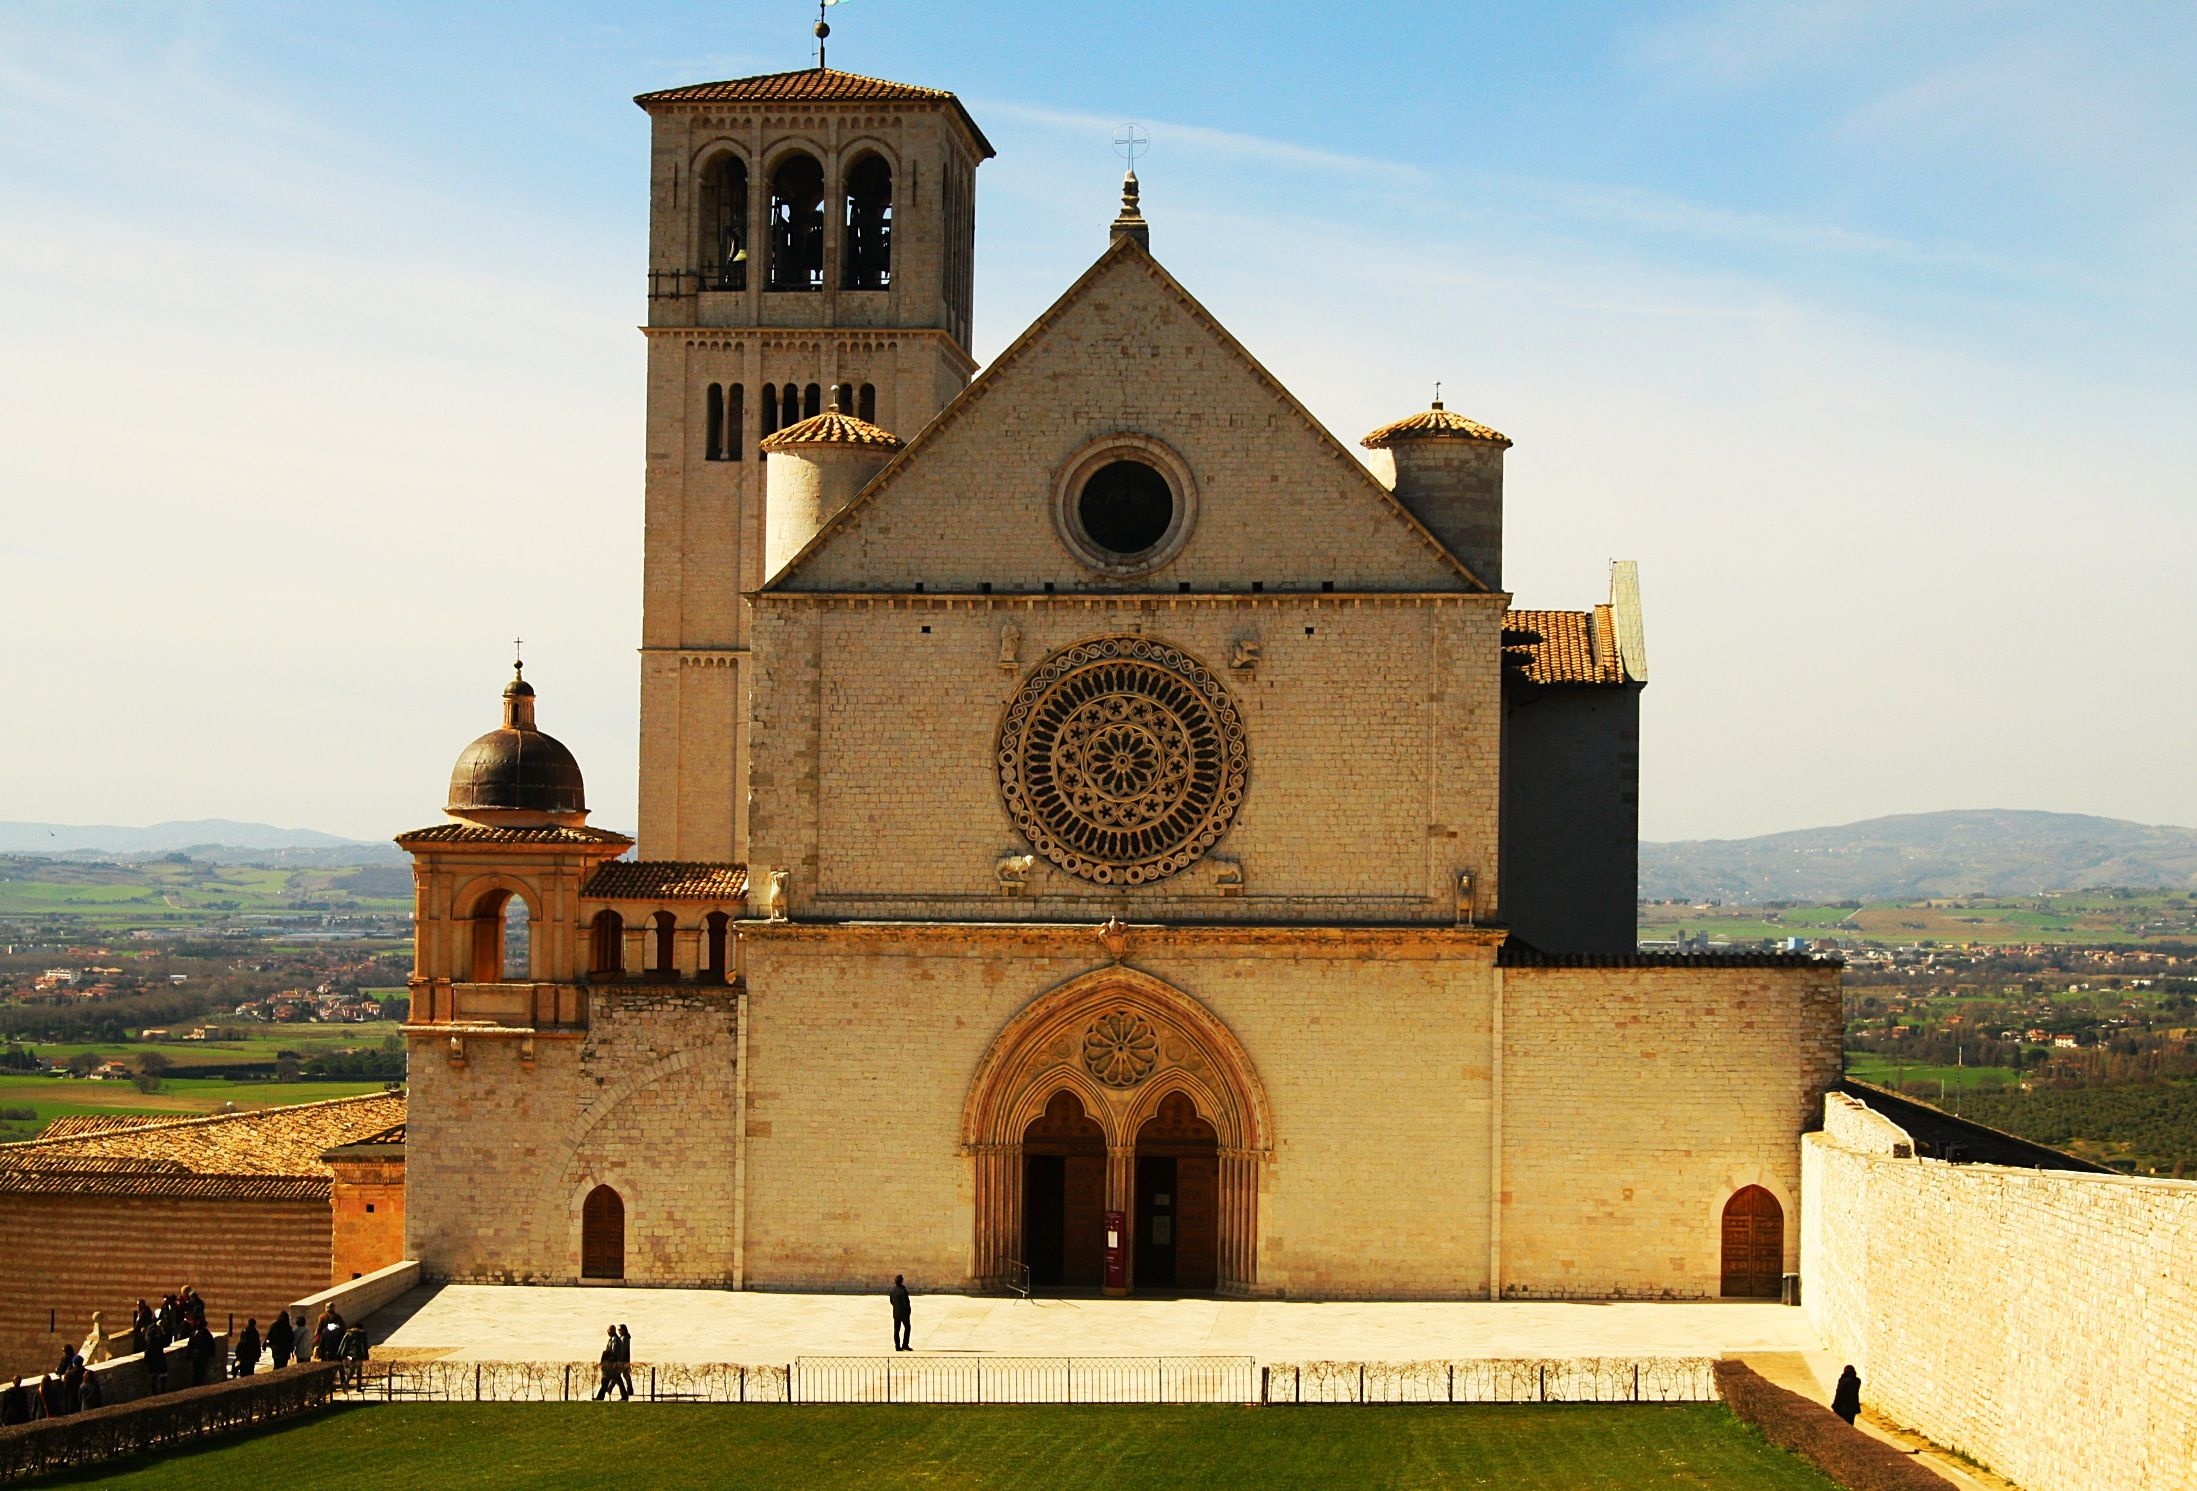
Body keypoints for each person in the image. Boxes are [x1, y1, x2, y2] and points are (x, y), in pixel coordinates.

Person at [185, 1321, 218, 1388]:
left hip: (203, 1357)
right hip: (196, 1357)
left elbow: (211, 1346)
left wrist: (211, 1356)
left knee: (201, 1372)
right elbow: (191, 1345)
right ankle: (195, 1386)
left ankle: (199, 1386)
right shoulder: (194, 1334)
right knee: (196, 1372)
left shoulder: (207, 1335)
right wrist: (189, 1354)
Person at [337, 1323, 369, 1390]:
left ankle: (346, 1381)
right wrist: (366, 1356)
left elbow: (342, 1344)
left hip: (349, 1355)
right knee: (359, 1371)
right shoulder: (362, 1335)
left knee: (352, 1370)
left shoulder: (348, 1334)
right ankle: (358, 1387)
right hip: (358, 1355)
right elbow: (364, 1346)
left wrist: (340, 1354)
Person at [593, 1325, 620, 1401]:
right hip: (612, 1362)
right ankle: (600, 1397)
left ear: (612, 1331)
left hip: (611, 1363)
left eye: (608, 1330)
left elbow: (613, 1351)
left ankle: (600, 1397)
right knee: (608, 1381)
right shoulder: (613, 1339)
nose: (607, 1332)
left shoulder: (614, 1339)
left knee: (606, 1380)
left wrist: (609, 1360)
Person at [889, 1275, 912, 1352]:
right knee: (907, 1327)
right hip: (904, 1313)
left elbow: (891, 1302)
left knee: (896, 1330)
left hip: (896, 1313)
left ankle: (897, 1346)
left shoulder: (892, 1290)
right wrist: (908, 1312)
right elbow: (907, 1303)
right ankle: (905, 1344)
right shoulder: (903, 1291)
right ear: (901, 1281)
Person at [615, 1324, 634, 1399]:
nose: (619, 1331)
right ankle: (630, 1390)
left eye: (620, 1330)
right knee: (626, 1375)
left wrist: (618, 1359)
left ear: (623, 1330)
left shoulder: (624, 1338)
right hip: (625, 1360)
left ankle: (609, 1388)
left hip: (622, 1361)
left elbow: (621, 1350)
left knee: (617, 1376)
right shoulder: (625, 1337)